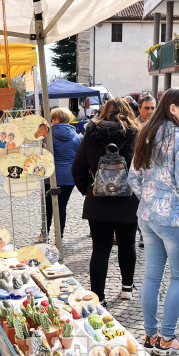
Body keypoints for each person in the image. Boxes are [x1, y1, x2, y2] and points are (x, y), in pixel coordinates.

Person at [128, 87, 179, 356]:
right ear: (173, 108)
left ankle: (150, 336)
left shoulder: (147, 133)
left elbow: (133, 178)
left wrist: (151, 198)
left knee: (151, 276)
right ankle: (167, 338)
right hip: (174, 219)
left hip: (148, 217)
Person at [72, 97, 140, 307]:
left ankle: (98, 297)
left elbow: (77, 168)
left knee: (100, 249)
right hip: (128, 200)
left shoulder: (91, 135)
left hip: (98, 202)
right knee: (127, 245)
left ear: (103, 111)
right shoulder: (137, 135)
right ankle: (127, 288)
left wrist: (90, 190)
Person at [40, 107, 81, 242]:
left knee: (48, 206)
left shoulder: (48, 135)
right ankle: (59, 236)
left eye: (51, 119)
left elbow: (44, 156)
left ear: (56, 119)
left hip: (52, 175)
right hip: (69, 177)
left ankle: (44, 234)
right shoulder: (76, 136)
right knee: (61, 206)